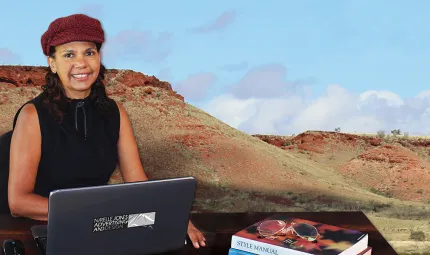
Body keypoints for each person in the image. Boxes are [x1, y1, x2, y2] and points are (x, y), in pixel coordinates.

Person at [7, 13, 206, 249]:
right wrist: (93, 213)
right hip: (45, 230)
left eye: (89, 53)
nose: (81, 63)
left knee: (156, 228)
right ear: (52, 63)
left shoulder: (115, 112)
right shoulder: (32, 115)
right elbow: (18, 202)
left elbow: (137, 183)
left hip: (100, 224)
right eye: (69, 54)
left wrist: (173, 217)